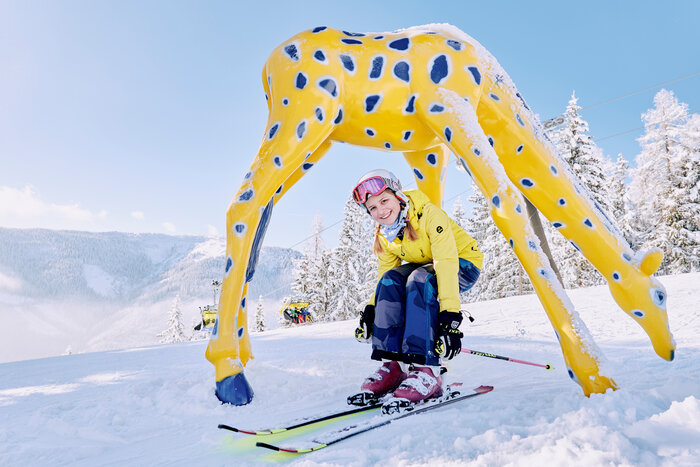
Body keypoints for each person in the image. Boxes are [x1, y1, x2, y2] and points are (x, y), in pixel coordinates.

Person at [352, 169, 483, 403]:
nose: (380, 210)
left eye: (384, 201)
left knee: (419, 280)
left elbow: (445, 262)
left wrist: (450, 314)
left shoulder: (428, 215)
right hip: (427, 267)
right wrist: (372, 308)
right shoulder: (385, 234)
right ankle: (393, 366)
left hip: (462, 264)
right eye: (372, 208)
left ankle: (427, 371)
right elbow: (386, 274)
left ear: (398, 196)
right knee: (391, 280)